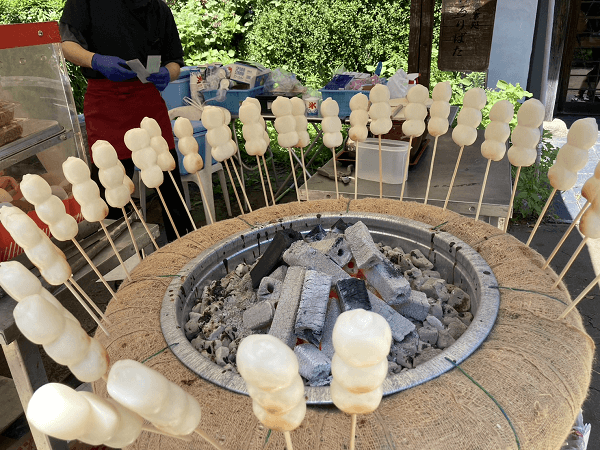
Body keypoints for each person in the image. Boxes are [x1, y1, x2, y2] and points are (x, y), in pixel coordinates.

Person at [59, 0, 190, 243]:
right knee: (111, 184)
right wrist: (95, 60)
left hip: (147, 98)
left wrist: (166, 73)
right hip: (106, 100)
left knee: (169, 181)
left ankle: (183, 245)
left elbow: (174, 61)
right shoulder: (85, 2)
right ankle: (118, 260)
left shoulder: (159, 8)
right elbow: (66, 45)